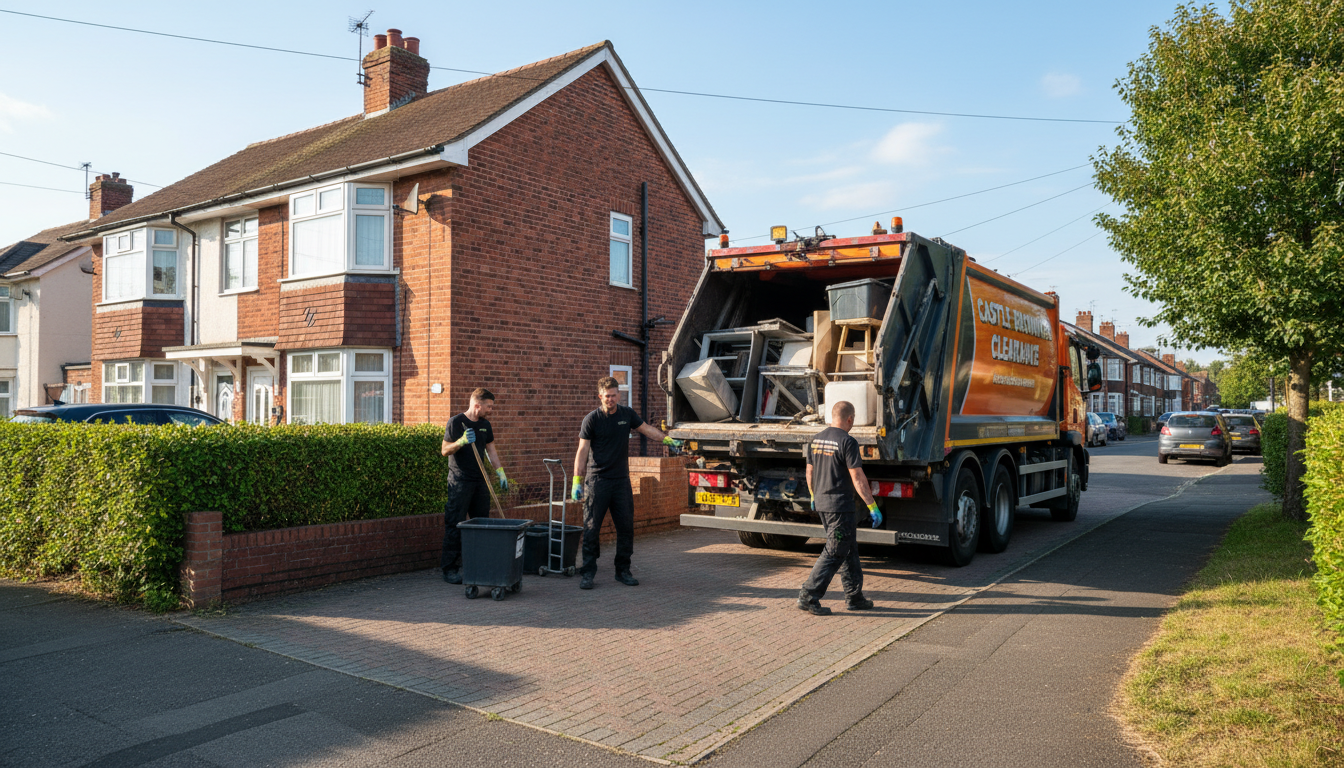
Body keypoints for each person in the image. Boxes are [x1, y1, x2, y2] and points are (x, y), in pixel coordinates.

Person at [571, 376, 681, 590]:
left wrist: (667, 439)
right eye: (606, 396)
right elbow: (582, 451)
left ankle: (623, 571)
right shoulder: (591, 419)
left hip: (621, 481)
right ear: (600, 396)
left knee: (626, 527)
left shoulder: (626, 414)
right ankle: (588, 572)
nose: (610, 399)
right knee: (592, 528)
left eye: (613, 395)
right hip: (597, 481)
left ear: (618, 395)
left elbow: (647, 429)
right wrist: (577, 481)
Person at [798, 400, 881, 615]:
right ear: (850, 419)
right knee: (835, 551)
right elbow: (857, 476)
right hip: (840, 507)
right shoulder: (848, 442)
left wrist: (813, 495)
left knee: (849, 549)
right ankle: (809, 595)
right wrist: (872, 505)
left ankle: (855, 597)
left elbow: (809, 472)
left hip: (823, 505)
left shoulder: (815, 440)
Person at [439, 388, 510, 584]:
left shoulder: (486, 425)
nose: (492, 410)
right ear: (477, 405)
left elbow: (491, 451)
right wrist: (461, 441)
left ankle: (480, 565)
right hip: (459, 481)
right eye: (489, 406)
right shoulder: (456, 423)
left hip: (480, 481)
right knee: (454, 523)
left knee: (482, 524)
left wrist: (500, 472)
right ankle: (450, 569)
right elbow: (445, 450)